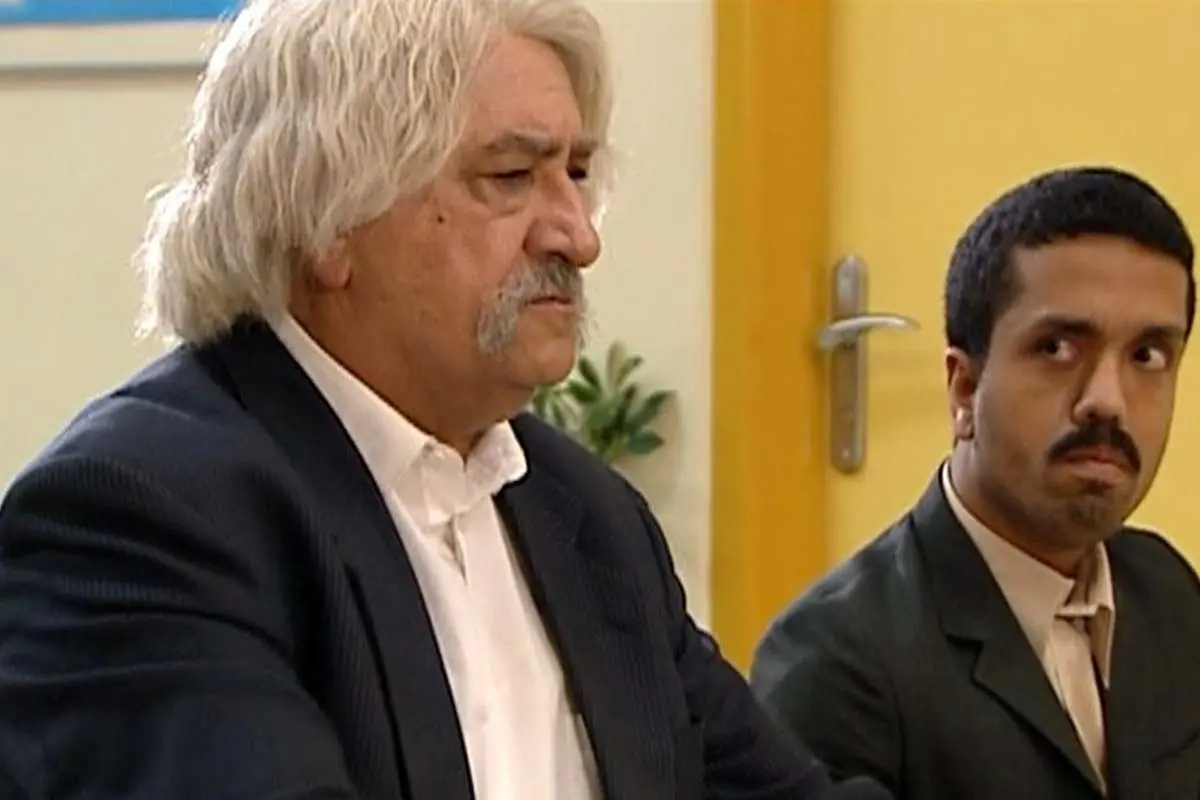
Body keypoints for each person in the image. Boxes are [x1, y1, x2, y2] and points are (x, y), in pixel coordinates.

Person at [0, 1, 891, 798]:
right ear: (327, 222)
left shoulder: (586, 517)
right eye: (511, 177)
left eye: (577, 173)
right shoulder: (140, 516)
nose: (578, 236)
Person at [750, 166, 1200, 800]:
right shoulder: (837, 663)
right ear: (964, 387)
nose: (1108, 400)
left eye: (1147, 356)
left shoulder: (1166, 591)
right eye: (1058, 348)